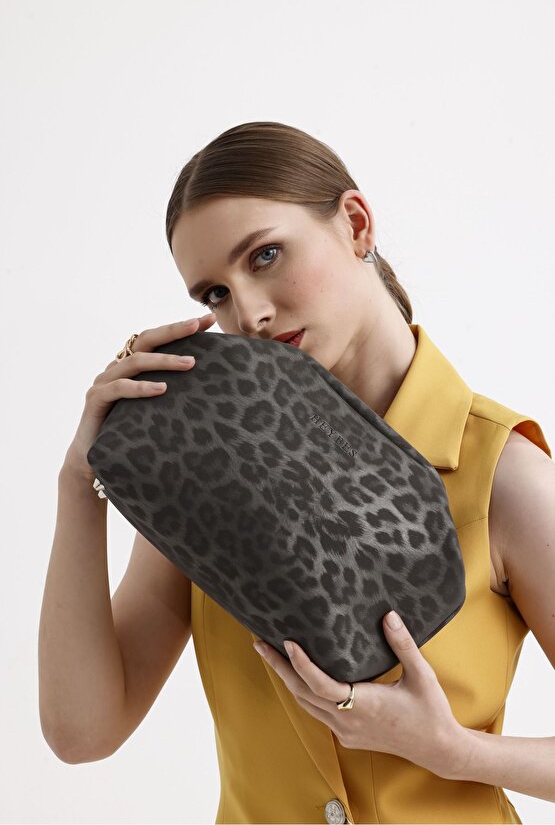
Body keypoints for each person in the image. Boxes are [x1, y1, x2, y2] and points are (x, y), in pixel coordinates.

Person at [39, 121, 554, 824]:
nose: (248, 312)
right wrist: (81, 480)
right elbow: (82, 733)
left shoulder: (504, 474)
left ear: (355, 224)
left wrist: (454, 752)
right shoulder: (202, 473)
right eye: (214, 294)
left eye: (266, 255)